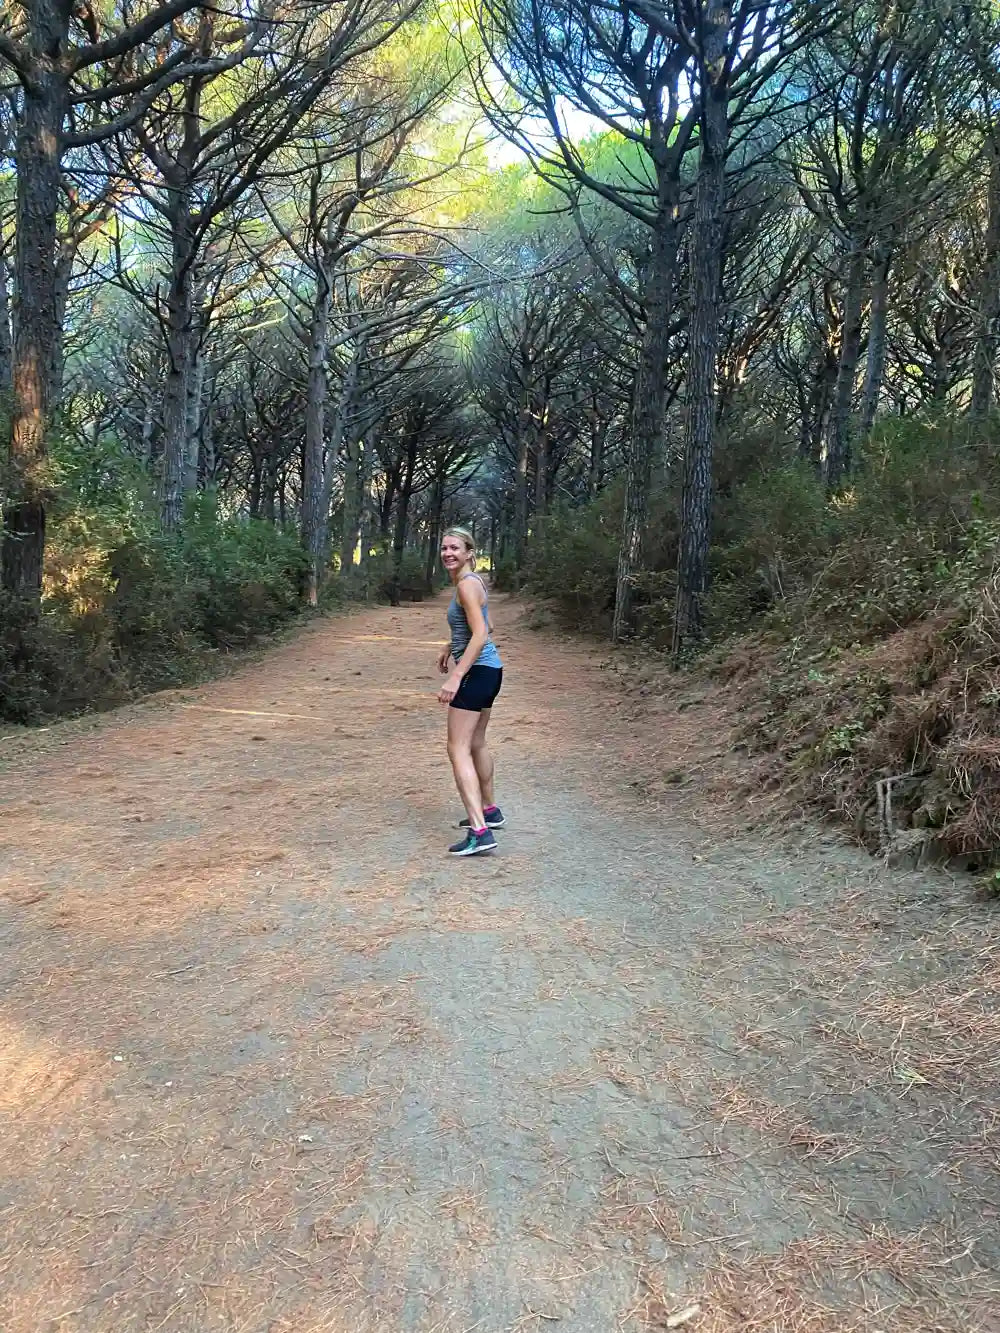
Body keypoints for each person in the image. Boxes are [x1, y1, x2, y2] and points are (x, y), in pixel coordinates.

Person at [437, 527, 504, 856]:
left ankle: (480, 832)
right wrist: (453, 644)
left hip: (476, 672)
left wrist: (456, 676)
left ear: (468, 553)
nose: (448, 553)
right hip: (491, 671)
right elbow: (486, 627)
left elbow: (480, 634)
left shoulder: (465, 586)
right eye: (444, 547)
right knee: (476, 741)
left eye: (455, 548)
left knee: (457, 748)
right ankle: (490, 811)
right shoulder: (473, 582)